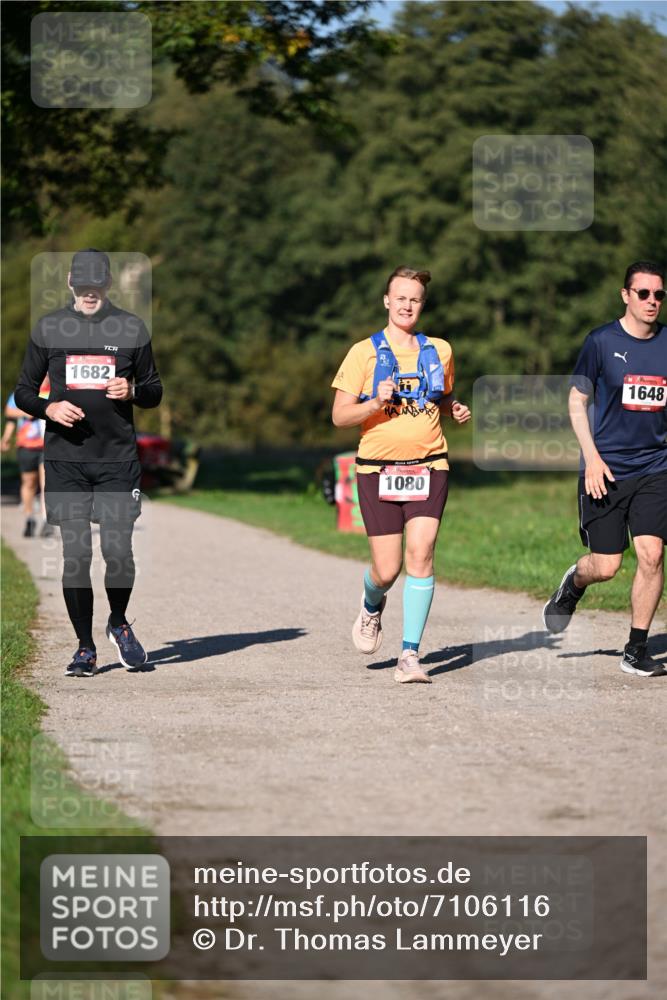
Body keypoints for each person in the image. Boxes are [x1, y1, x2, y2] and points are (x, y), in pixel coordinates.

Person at [14, 249, 162, 677]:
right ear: (70, 283)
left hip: (117, 460)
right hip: (66, 461)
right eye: (83, 284)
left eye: (97, 284)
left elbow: (155, 390)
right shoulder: (49, 329)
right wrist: (49, 408)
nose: (90, 292)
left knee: (118, 552)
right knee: (76, 555)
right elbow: (24, 391)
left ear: (108, 284)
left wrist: (132, 390)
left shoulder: (132, 328)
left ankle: (118, 622)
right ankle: (84, 647)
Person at [331, 266, 471, 684]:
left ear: (422, 305)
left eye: (416, 299)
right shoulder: (363, 352)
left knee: (422, 555)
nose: (408, 305)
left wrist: (454, 409)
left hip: (430, 463)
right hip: (377, 469)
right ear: (387, 302)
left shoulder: (440, 349)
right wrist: (375, 402)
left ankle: (410, 655)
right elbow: (340, 416)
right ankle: (372, 605)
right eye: (401, 297)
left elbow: (439, 398)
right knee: (387, 570)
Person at [543, 261, 666, 677]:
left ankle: (636, 650)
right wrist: (592, 457)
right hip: (606, 468)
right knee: (607, 565)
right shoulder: (600, 341)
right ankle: (573, 583)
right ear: (626, 295)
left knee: (651, 554)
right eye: (644, 294)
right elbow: (576, 401)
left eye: (659, 295)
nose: (652, 302)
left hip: (655, 467)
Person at [3, 378, 52, 537]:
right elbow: (9, 412)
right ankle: (29, 518)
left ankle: (46, 521)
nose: (45, 376)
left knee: (47, 484)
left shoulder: (54, 391)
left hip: (47, 445)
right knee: (29, 482)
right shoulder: (24, 393)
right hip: (27, 445)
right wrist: (6, 438)